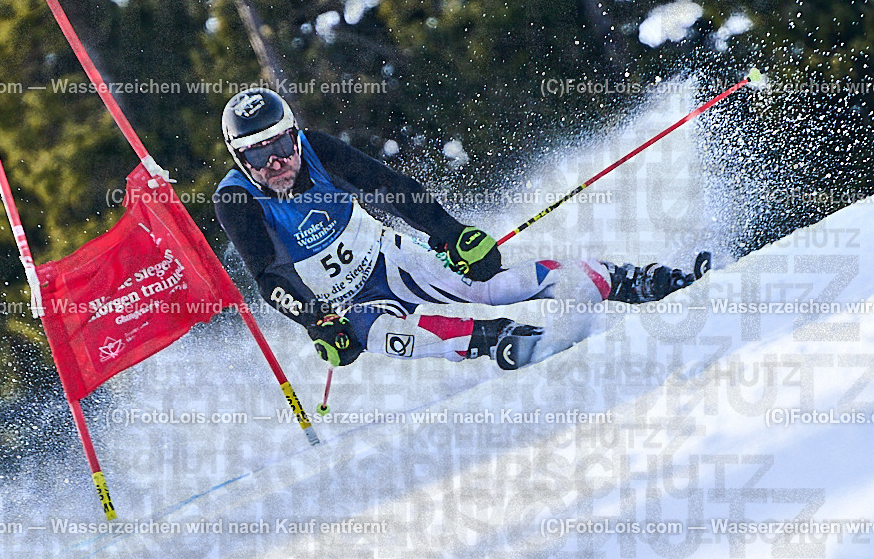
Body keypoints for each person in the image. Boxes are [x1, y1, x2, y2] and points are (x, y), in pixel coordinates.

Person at [214, 88, 697, 370]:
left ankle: (627, 278)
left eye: (281, 143)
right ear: (240, 158)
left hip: (389, 257)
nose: (276, 161)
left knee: (489, 285)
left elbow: (391, 188)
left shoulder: (317, 149)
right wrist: (316, 320)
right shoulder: (236, 199)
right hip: (347, 302)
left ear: (296, 134)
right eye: (258, 153)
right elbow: (270, 275)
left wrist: (450, 235)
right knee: (390, 336)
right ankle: (508, 340)